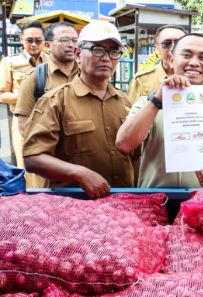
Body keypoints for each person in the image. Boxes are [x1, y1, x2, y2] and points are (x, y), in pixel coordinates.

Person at [23, 21, 135, 198]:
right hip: (72, 207)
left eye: (114, 52)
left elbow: (137, 157)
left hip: (123, 204)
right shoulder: (55, 101)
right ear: (77, 54)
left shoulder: (126, 102)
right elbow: (33, 158)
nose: (106, 58)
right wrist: (78, 173)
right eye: (97, 49)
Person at [116, 33, 203, 188]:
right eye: (186, 55)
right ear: (172, 60)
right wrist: (157, 101)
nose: (194, 62)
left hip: (200, 203)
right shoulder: (147, 104)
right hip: (155, 203)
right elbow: (124, 144)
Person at [15, 22, 80, 134]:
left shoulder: (86, 75)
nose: (71, 45)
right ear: (47, 45)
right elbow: (24, 126)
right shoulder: (35, 78)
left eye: (75, 41)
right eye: (64, 40)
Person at [1, 20, 47, 173]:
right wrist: (27, 97)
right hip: (23, 119)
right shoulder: (10, 62)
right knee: (26, 165)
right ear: (21, 38)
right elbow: (1, 95)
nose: (33, 44)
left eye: (38, 41)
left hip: (50, 119)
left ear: (44, 40)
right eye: (29, 40)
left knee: (52, 164)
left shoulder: (53, 61)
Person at [127, 24, 187, 100]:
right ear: (157, 49)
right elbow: (131, 110)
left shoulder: (200, 77)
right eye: (167, 44)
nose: (172, 48)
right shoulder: (141, 80)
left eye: (178, 43)